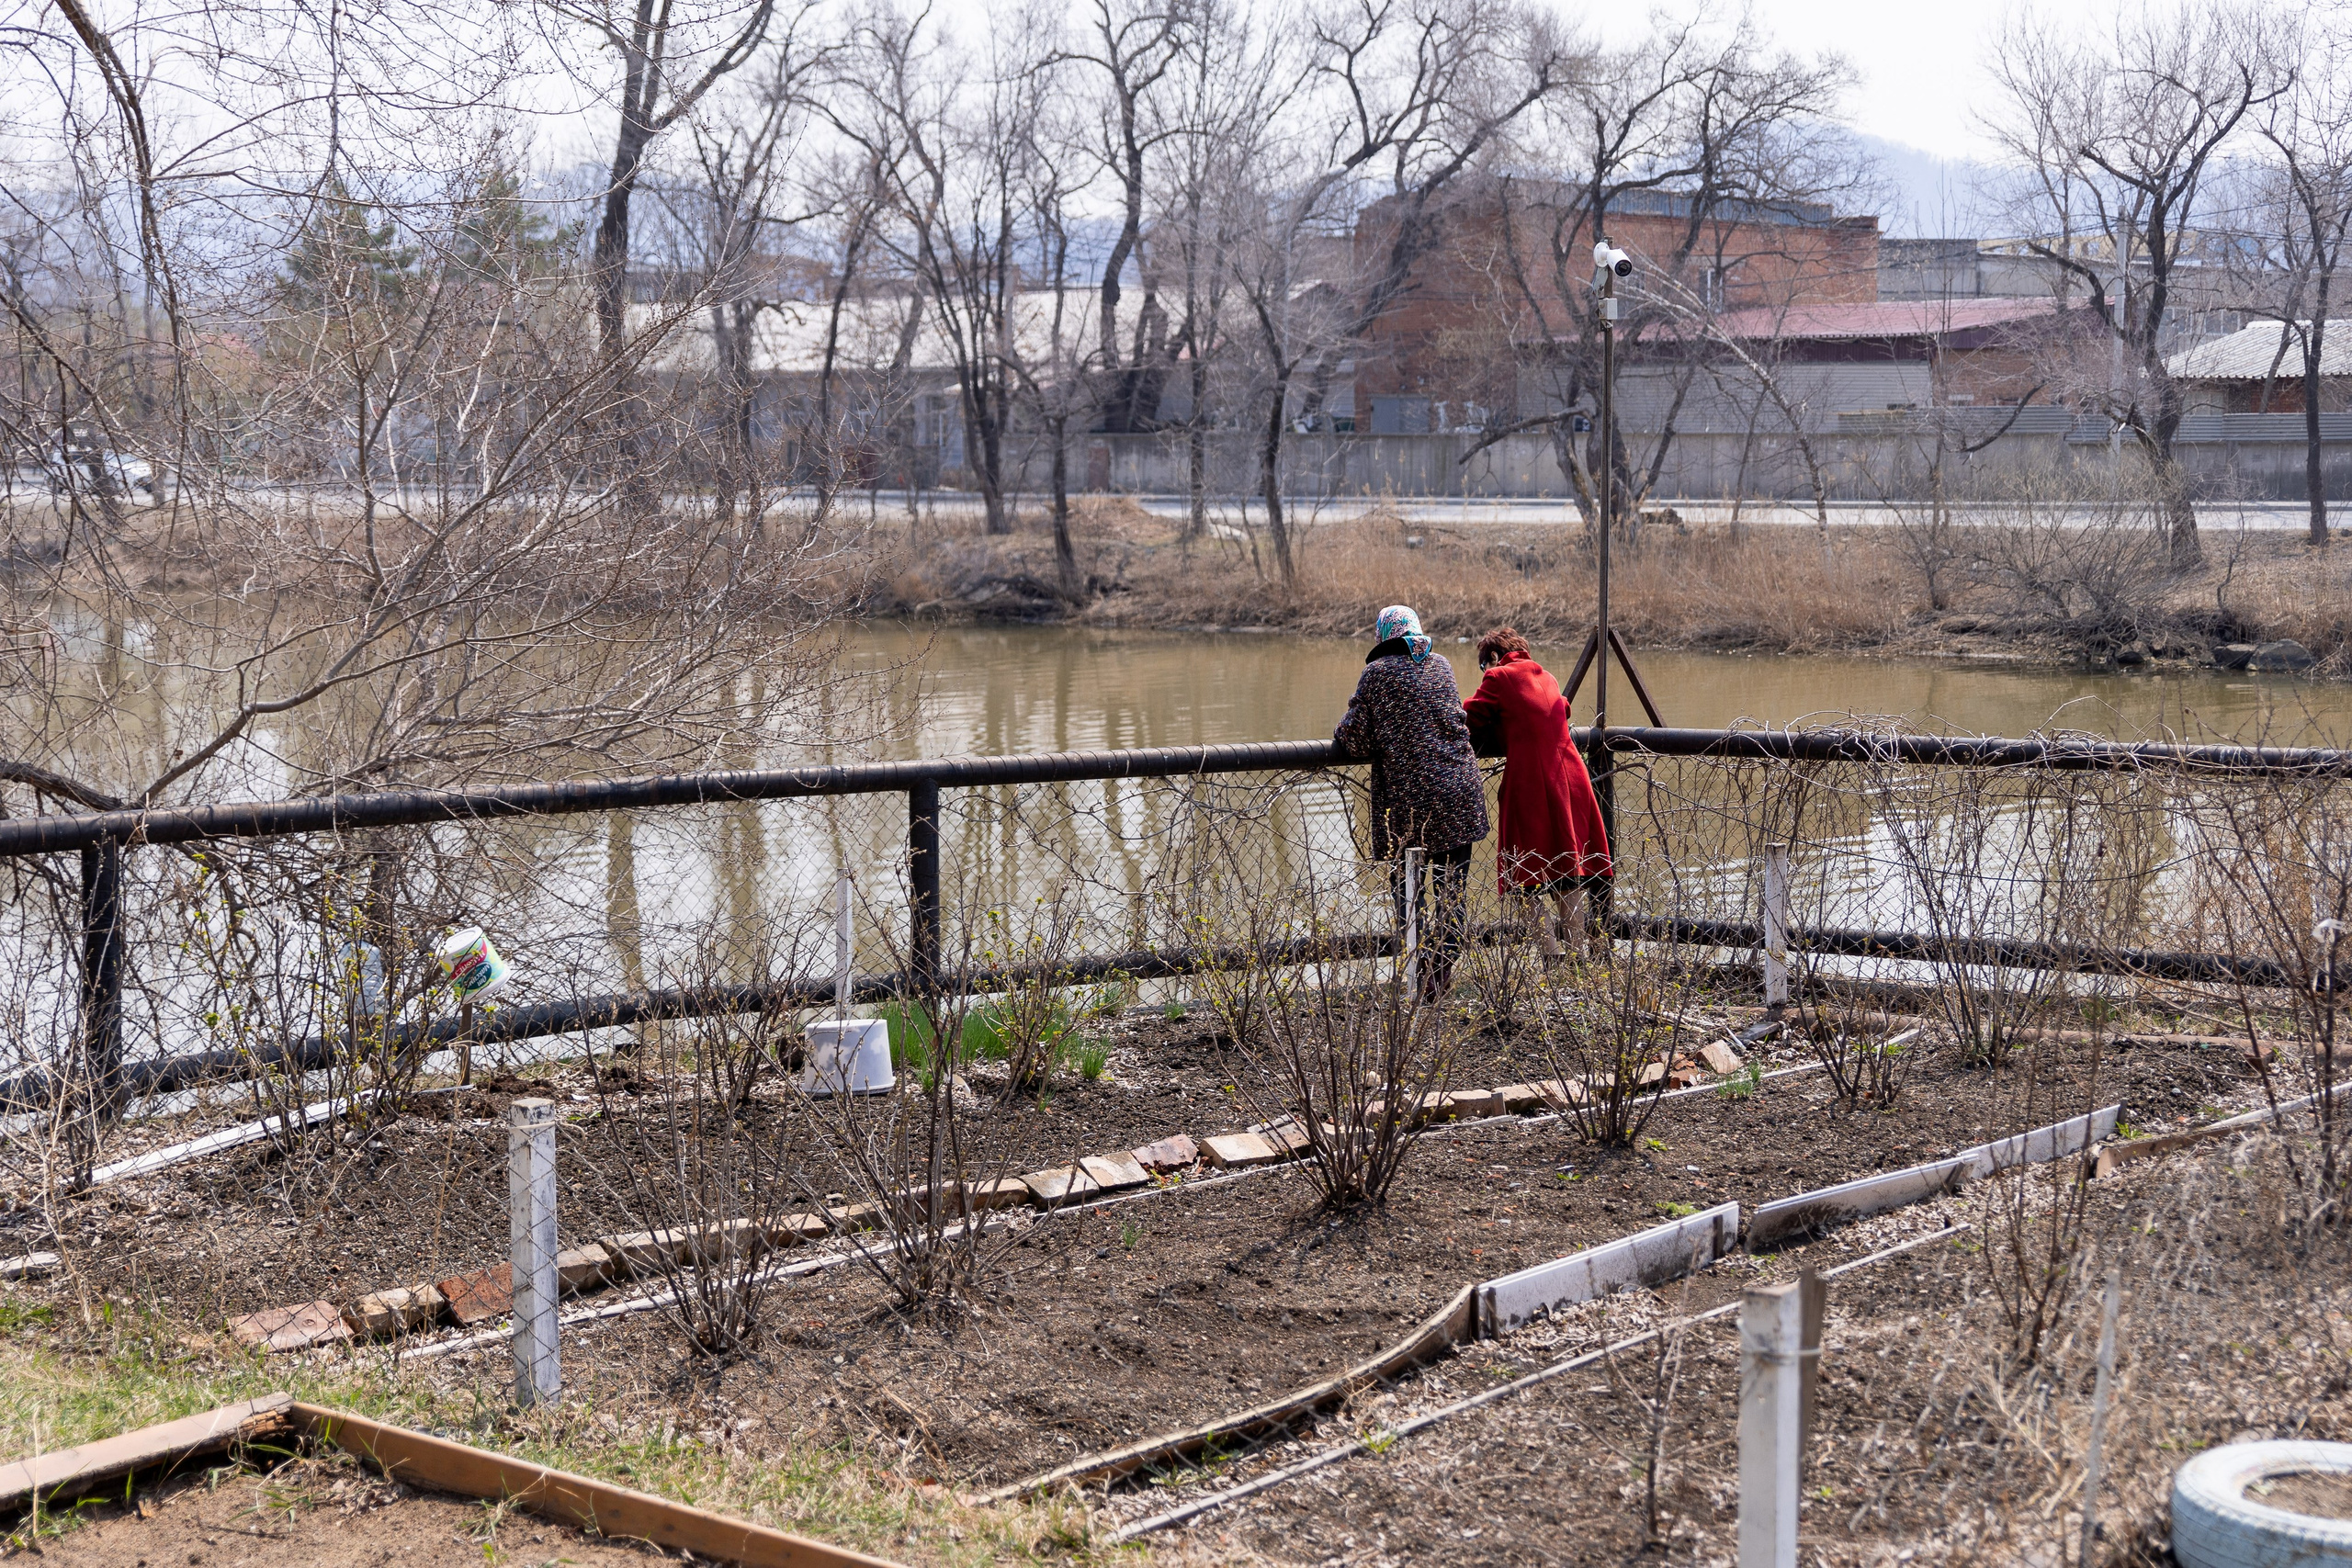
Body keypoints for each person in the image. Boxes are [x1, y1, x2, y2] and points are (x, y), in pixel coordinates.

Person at [1333, 604, 1490, 1001]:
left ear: (1384, 636)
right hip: (1459, 790)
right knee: (1452, 890)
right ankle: (1440, 974)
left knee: (1409, 890)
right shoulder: (1442, 665)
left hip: (1411, 804)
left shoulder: (1376, 674)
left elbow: (1353, 739)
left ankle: (1418, 976)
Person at [1462, 626, 1611, 957]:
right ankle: (1578, 955)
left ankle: (1550, 954)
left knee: (1521, 876)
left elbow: (1469, 716)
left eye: (1484, 665)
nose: (1485, 672)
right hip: (1571, 776)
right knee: (1568, 868)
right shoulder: (1548, 676)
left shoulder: (1498, 677)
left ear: (1495, 658)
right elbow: (1562, 708)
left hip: (1531, 779)